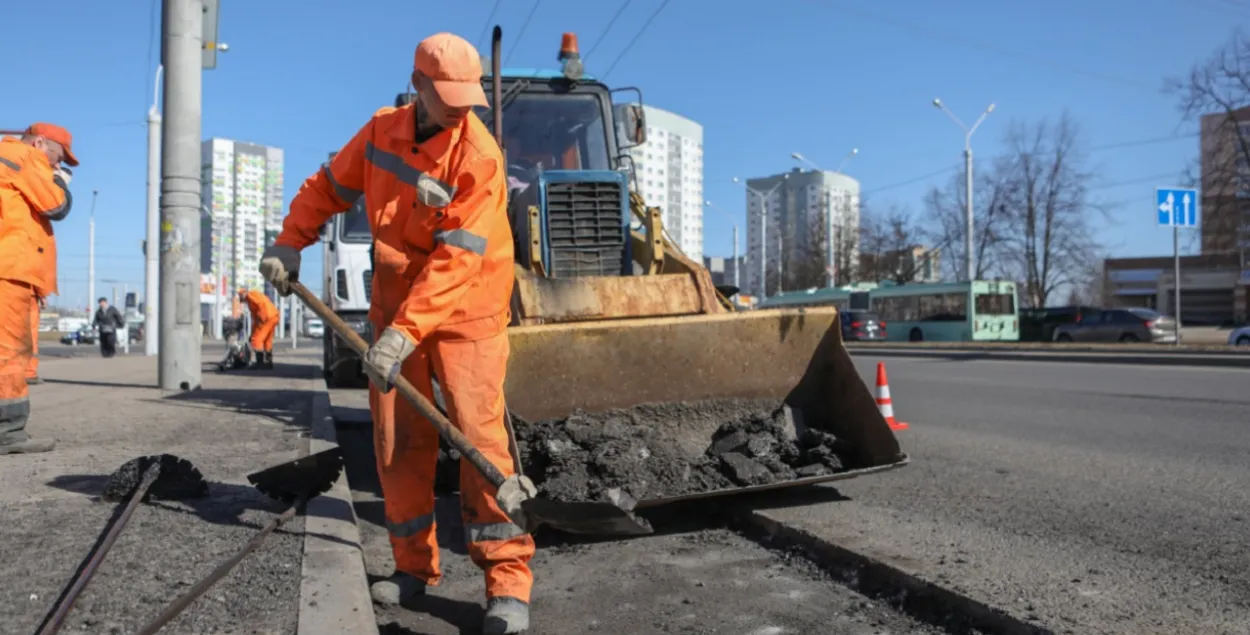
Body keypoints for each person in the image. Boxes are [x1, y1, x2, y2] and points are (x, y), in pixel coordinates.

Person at [258, 32, 532, 635]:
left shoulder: (479, 157)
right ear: (419, 88)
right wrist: (289, 241)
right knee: (397, 445)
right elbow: (328, 186)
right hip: (394, 313)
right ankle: (414, 570)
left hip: (466, 319)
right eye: (450, 96)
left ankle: (507, 587)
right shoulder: (382, 131)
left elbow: (458, 261)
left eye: (469, 96)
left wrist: (404, 332)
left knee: (479, 446)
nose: (462, 108)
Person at [0, 123, 77, 455]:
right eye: (56, 159)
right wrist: (60, 181)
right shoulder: (25, 156)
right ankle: (8, 433)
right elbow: (56, 206)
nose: (56, 167)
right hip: (9, 269)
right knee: (9, 353)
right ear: (41, 142)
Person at [238, 288, 278, 369]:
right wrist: (252, 333)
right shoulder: (253, 298)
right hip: (274, 316)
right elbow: (255, 321)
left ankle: (260, 363)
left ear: (243, 294)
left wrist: (262, 319)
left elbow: (261, 305)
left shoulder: (250, 295)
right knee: (267, 340)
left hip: (266, 317)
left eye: (242, 299)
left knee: (256, 340)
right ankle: (268, 363)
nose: (244, 302)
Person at [26, 296, 46, 385]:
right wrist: (42, 296)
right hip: (27, 298)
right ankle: (29, 374)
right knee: (30, 337)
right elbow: (38, 282)